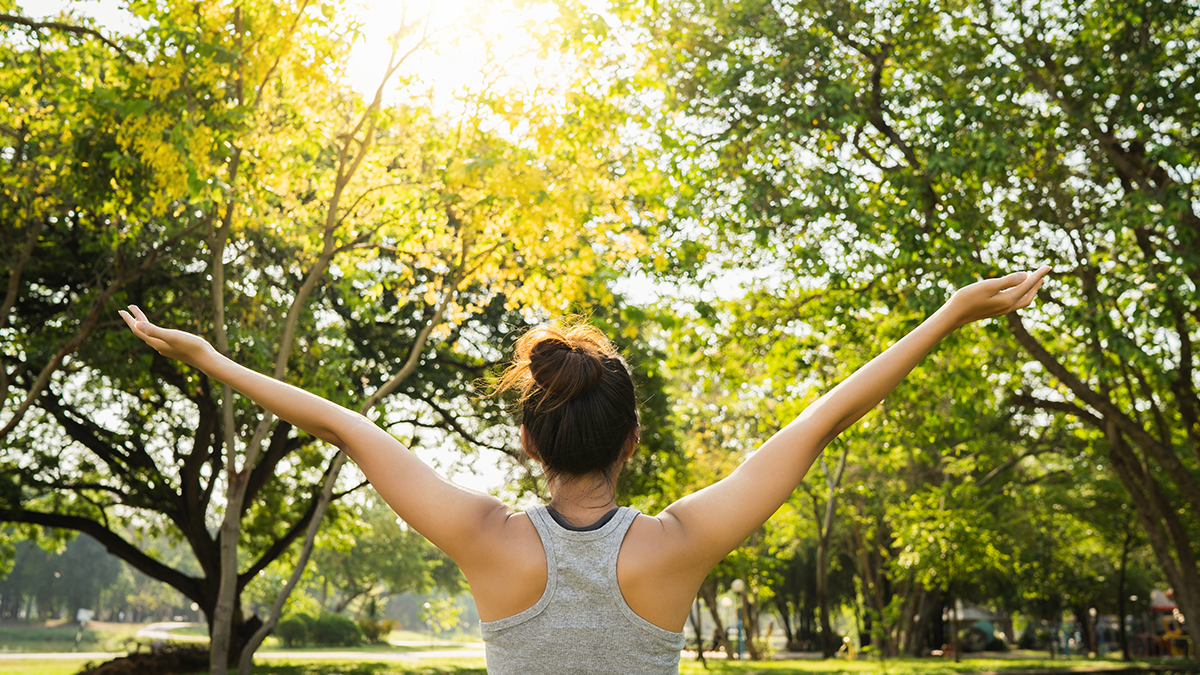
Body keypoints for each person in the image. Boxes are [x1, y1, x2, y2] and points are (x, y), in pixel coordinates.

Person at [119, 266, 1049, 673]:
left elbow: (350, 428)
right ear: (631, 441)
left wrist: (213, 360)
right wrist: (949, 315)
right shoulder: (678, 547)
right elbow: (824, 417)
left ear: (529, 442)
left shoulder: (488, 544)